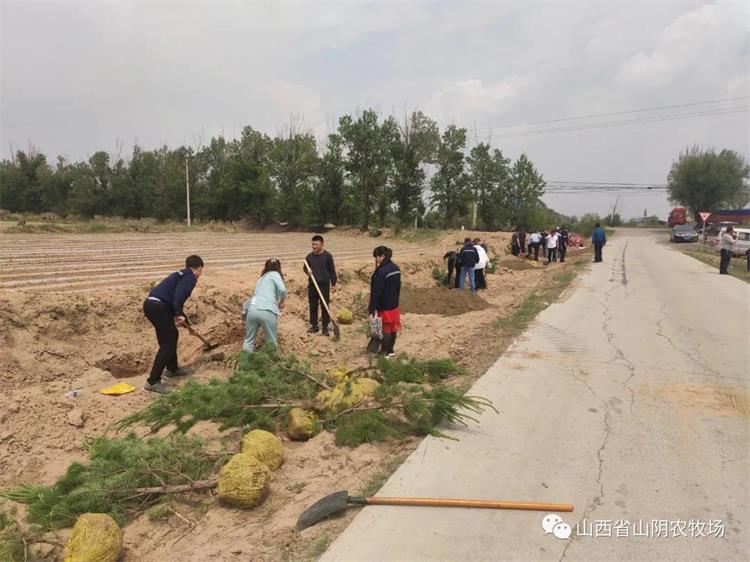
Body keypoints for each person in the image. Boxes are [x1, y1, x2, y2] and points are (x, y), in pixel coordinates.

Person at [143, 255, 204, 394]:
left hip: (153, 305)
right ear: (199, 268)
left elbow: (174, 302)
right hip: (158, 306)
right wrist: (178, 314)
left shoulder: (181, 274)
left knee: (171, 336)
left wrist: (186, 323)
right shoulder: (190, 277)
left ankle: (172, 369)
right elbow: (178, 298)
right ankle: (152, 382)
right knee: (168, 343)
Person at [242, 259, 287, 352]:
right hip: (267, 310)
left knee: (249, 340)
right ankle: (272, 363)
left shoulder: (260, 279)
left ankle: (245, 362)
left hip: (252, 310)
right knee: (272, 342)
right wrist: (281, 302)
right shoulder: (275, 274)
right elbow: (282, 290)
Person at [368, 246, 401, 357]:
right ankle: (391, 350)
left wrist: (372, 308)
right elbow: (398, 287)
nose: (376, 259)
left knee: (385, 329)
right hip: (394, 304)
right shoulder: (396, 268)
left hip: (384, 305)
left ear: (382, 256)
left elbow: (376, 292)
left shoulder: (381, 272)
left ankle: (384, 353)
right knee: (393, 328)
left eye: (376, 257)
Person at [303, 235, 337, 336]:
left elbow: (332, 271)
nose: (314, 247)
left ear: (322, 244)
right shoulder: (309, 257)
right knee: (313, 306)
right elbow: (305, 268)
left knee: (325, 306)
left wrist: (334, 284)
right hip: (313, 285)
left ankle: (325, 328)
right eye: (313, 244)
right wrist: (307, 271)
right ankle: (314, 326)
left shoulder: (327, 256)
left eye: (316, 245)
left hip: (324, 285)